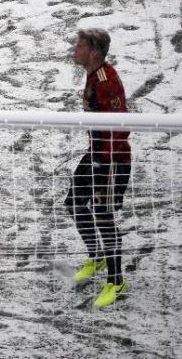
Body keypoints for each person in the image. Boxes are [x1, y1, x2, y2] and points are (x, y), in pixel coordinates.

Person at [66, 28, 132, 308]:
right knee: (74, 203)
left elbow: (121, 126)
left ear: (93, 52)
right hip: (95, 154)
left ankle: (117, 282)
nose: (74, 50)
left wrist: (102, 160)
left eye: (79, 46)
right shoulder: (93, 75)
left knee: (104, 217)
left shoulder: (107, 81)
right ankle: (98, 255)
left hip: (112, 160)